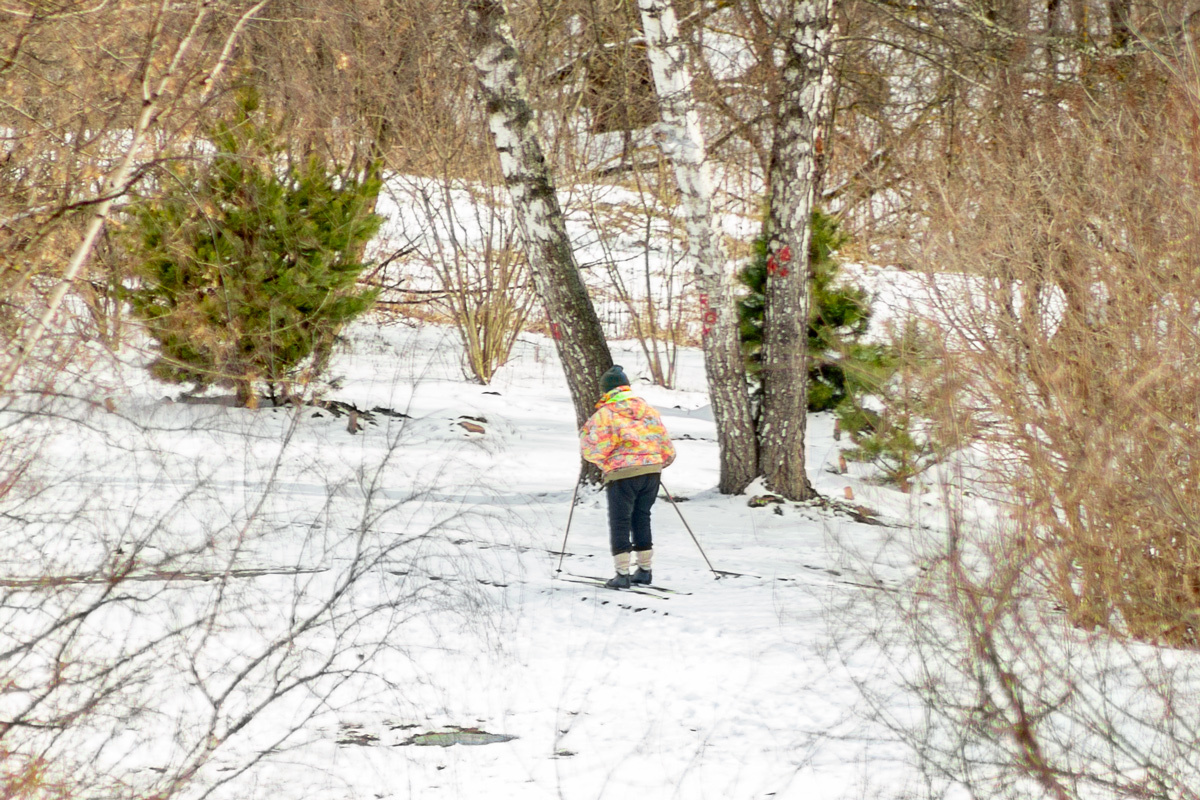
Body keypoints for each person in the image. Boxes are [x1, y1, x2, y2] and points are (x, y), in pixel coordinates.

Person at [580, 365, 676, 589]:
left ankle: (621, 574)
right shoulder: (649, 411)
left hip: (623, 473)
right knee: (642, 517)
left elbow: (594, 448)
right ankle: (644, 570)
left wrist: (600, 458)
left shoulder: (606, 414)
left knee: (620, 520)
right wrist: (655, 462)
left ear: (606, 390)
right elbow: (666, 447)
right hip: (652, 471)